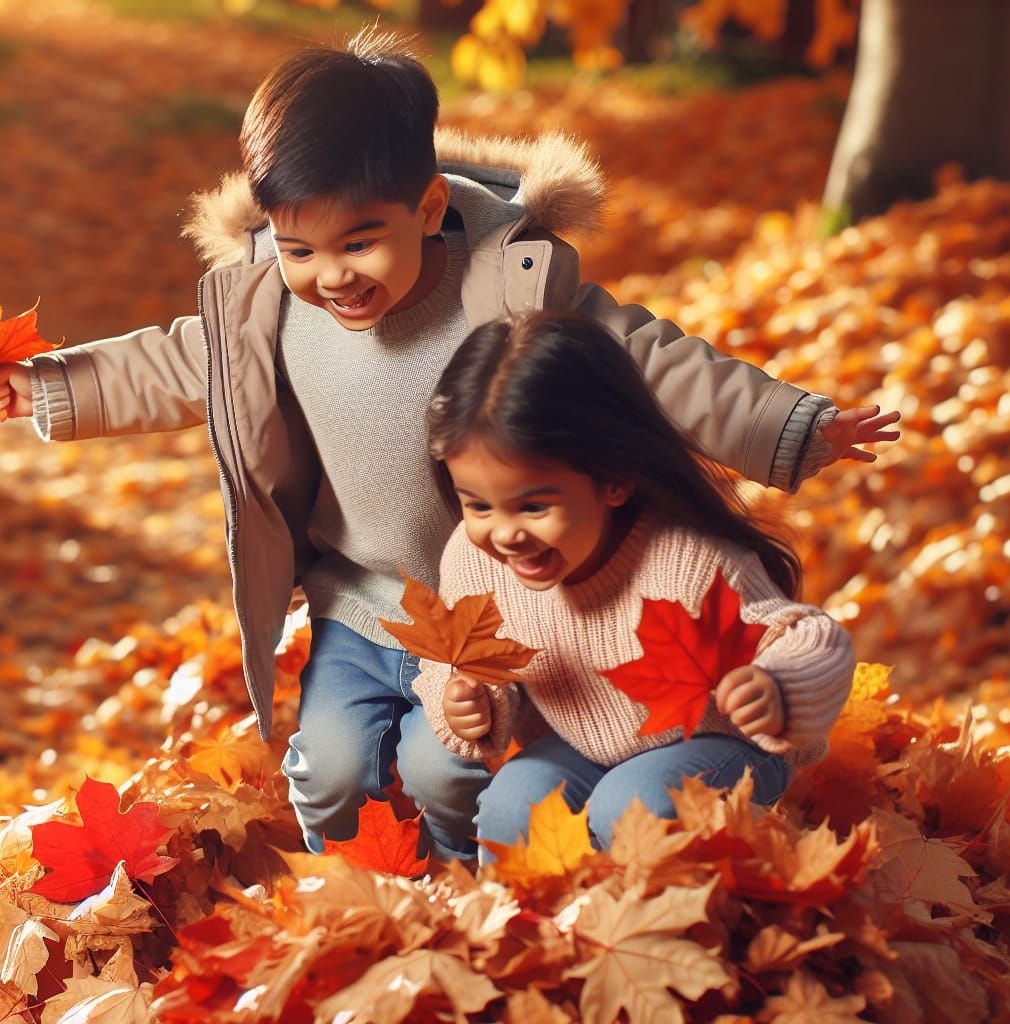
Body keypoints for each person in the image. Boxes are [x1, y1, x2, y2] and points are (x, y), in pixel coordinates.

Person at [0, 30, 888, 860]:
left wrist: (788, 422)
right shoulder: (274, 308)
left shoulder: (506, 291)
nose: (331, 276)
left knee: (447, 768)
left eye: (359, 243)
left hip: (494, 601)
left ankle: (469, 894)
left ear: (426, 208)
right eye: (300, 248)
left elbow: (644, 365)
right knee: (334, 768)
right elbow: (166, 364)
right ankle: (361, 891)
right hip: (355, 599)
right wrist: (42, 386)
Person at [416, 310, 856, 851]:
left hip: (720, 746)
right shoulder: (472, 557)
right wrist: (466, 699)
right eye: (478, 504)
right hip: (581, 743)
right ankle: (531, 927)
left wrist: (777, 688)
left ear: (614, 480)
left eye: (533, 505)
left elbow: (811, 638)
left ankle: (670, 920)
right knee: (512, 808)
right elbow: (459, 658)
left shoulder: (685, 561)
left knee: (632, 804)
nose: (505, 534)